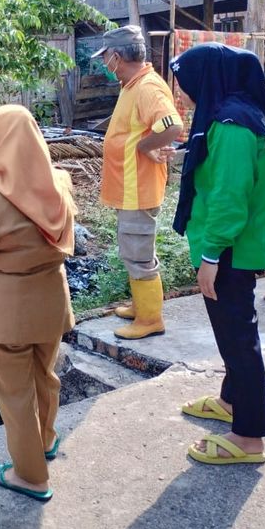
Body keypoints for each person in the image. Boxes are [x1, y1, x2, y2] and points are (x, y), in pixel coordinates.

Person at [170, 44, 265, 465]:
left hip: (229, 251)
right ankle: (231, 400)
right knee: (232, 333)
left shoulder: (233, 125)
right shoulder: (232, 117)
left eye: (185, 85)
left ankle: (248, 437)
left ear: (207, 80)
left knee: (240, 339)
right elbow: (224, 172)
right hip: (231, 247)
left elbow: (230, 198)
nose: (182, 95)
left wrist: (210, 256)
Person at [0, 105, 75, 502]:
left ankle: (30, 475)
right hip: (51, 301)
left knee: (15, 394)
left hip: (6, 312)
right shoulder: (60, 183)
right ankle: (45, 442)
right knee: (45, 377)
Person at [92, 25, 183, 339]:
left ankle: (150, 320)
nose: (104, 64)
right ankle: (140, 306)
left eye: (105, 57)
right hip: (129, 188)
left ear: (117, 56)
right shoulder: (132, 84)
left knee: (139, 255)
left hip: (138, 190)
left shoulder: (147, 88)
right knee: (133, 250)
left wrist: (146, 147)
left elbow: (172, 125)